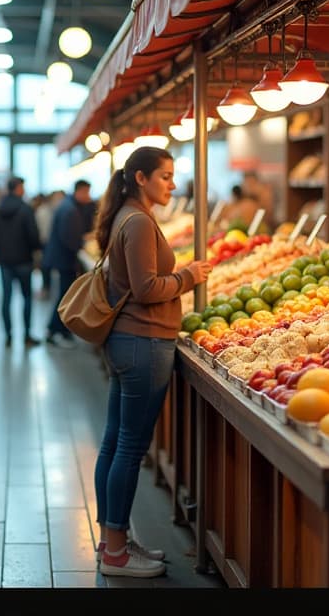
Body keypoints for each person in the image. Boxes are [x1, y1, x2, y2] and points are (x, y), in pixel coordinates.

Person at [91, 146, 212, 579]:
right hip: (143, 341)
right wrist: (188, 277)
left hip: (128, 341)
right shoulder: (139, 222)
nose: (172, 184)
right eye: (165, 176)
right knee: (129, 447)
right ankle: (118, 552)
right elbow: (145, 288)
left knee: (114, 443)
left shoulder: (126, 215)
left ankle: (113, 541)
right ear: (140, 178)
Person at [0, 176, 42, 347]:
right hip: (24, 260)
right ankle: (27, 335)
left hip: (4, 260)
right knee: (27, 298)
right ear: (18, 188)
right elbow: (33, 235)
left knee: (6, 298)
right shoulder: (26, 209)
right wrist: (36, 249)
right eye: (23, 187)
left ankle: (8, 336)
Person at [42, 180, 92, 348]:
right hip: (65, 260)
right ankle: (55, 331)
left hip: (61, 259)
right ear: (79, 191)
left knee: (65, 296)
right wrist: (82, 244)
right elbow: (69, 238)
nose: (88, 197)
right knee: (66, 298)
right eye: (86, 192)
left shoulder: (68, 206)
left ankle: (60, 331)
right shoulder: (70, 210)